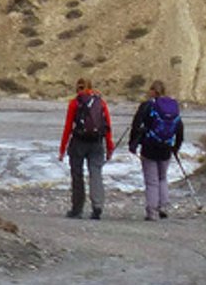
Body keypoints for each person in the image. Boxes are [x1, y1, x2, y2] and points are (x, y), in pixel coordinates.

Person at [127, 80, 185, 220]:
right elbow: (179, 127)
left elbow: (136, 125)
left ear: (153, 90)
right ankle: (163, 206)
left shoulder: (148, 106)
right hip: (166, 147)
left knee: (151, 181)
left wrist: (133, 144)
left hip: (149, 147)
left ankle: (152, 212)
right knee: (162, 178)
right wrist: (176, 147)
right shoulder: (172, 106)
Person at [59, 77, 113, 219]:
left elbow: (68, 127)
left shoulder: (74, 103)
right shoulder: (100, 102)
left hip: (78, 142)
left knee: (77, 175)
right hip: (96, 142)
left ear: (77, 88)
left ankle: (77, 209)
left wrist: (62, 149)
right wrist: (109, 147)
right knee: (96, 173)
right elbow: (107, 126)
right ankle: (97, 206)